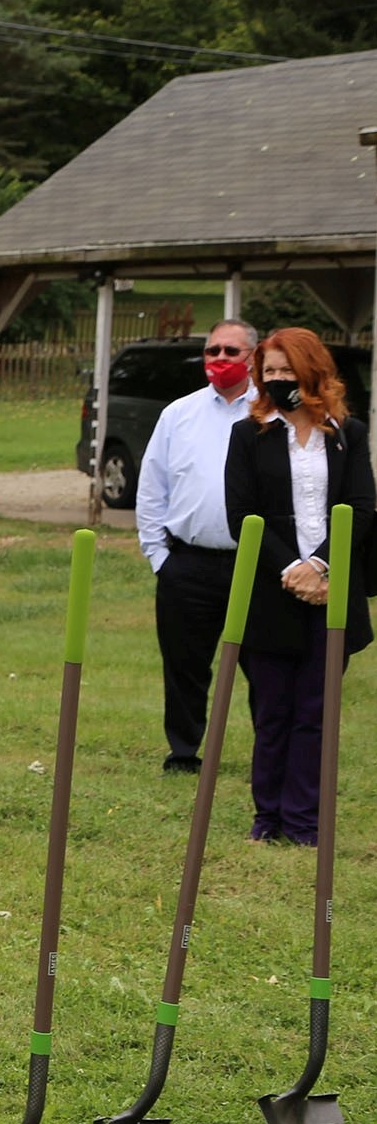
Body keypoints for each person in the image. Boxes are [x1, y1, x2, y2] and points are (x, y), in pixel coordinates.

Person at [221, 327, 374, 845]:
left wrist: (324, 566)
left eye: (288, 370)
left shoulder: (348, 432)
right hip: (272, 591)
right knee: (272, 711)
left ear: (313, 370)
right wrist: (294, 569)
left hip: (332, 593)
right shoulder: (249, 435)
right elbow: (241, 515)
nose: (279, 379)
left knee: (315, 712)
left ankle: (304, 823)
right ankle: (268, 820)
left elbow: (364, 508)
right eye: (270, 371)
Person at [136, 320, 258, 773]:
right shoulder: (178, 414)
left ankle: (269, 751)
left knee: (262, 665)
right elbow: (152, 488)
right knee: (185, 665)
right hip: (187, 564)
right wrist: (159, 558)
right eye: (212, 351)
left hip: (255, 564)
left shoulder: (267, 413)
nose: (220, 360)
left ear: (252, 358)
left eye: (231, 352)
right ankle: (184, 751)